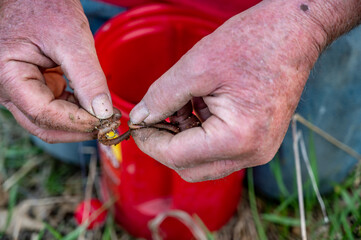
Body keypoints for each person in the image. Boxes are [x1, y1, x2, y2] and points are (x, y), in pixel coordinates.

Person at [0, 0, 360, 189]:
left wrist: (310, 23)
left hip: (282, 13)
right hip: (90, 8)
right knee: (63, 137)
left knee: (307, 175)